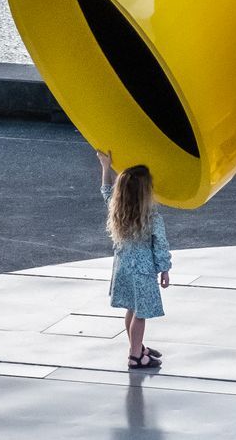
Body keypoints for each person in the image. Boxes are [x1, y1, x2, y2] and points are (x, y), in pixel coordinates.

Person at [96, 150, 172, 370]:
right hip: (143, 271)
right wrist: (165, 270)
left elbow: (106, 192)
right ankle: (135, 356)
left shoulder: (117, 209)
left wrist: (105, 166)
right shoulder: (152, 218)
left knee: (131, 308)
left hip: (123, 268)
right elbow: (160, 246)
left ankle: (137, 347)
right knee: (141, 313)